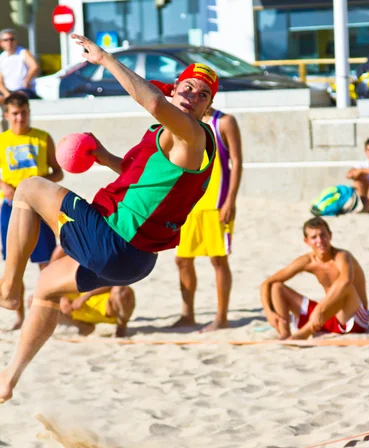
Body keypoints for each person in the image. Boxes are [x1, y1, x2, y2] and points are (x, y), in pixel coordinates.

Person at [0, 34, 218, 403]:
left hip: (114, 241)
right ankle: (9, 378)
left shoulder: (192, 134)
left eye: (203, 95)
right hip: (135, 262)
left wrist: (104, 58)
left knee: (30, 188)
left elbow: (149, 100)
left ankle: (6, 289)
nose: (193, 96)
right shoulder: (173, 137)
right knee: (48, 288)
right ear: (177, 87)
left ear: (207, 108)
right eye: (190, 87)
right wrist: (104, 158)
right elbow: (142, 181)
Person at [174, 106, 242, 331]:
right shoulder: (179, 120)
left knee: (218, 260)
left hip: (216, 202)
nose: (193, 97)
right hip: (188, 203)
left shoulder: (223, 122)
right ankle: (187, 315)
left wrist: (230, 199)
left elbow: (237, 161)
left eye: (202, 92)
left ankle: (221, 318)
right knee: (182, 259)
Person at [0, 91, 63, 329]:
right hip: (10, 208)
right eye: (15, 114)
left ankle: (47, 314)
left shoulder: (42, 138)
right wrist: (4, 185)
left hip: (40, 207)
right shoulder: (2, 140)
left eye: (24, 113)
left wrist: (40, 182)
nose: (20, 118)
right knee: (14, 265)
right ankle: (20, 316)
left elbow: (58, 171)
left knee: (46, 264)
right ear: (7, 115)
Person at [260, 217, 369, 340]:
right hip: (324, 317)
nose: (320, 240)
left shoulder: (342, 256)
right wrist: (268, 312)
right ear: (306, 241)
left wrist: (319, 309)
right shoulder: (307, 261)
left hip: (352, 319)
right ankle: (285, 333)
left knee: (345, 285)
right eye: (314, 237)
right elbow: (267, 283)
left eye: (323, 235)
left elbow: (346, 280)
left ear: (330, 235)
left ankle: (306, 332)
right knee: (276, 287)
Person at [60, 286, 135, 338]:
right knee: (49, 305)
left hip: (109, 307)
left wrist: (87, 295)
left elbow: (116, 280)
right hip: (76, 310)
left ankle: (122, 324)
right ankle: (83, 326)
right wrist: (61, 299)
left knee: (122, 290)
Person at [0, 30, 40, 104]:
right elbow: (0, 81)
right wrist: (6, 94)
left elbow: (34, 66)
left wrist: (27, 81)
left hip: (24, 90)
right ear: (1, 43)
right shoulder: (2, 57)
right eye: (5, 40)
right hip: (9, 91)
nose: (9, 42)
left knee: (18, 100)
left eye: (11, 39)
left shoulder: (23, 52)